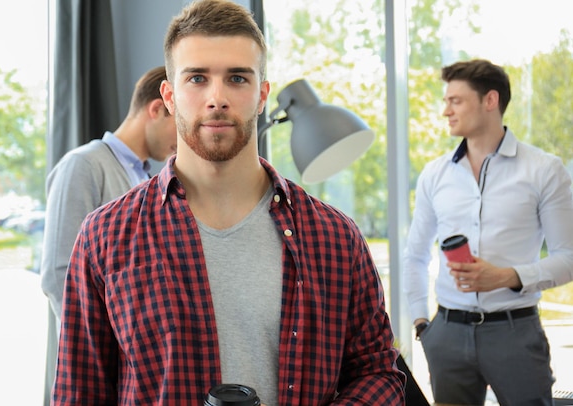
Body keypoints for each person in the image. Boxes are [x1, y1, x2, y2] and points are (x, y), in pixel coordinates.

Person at [51, 0, 406, 405]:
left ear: (261, 94)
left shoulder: (334, 237)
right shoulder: (105, 237)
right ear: (168, 95)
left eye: (237, 78)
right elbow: (80, 394)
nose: (216, 98)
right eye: (197, 78)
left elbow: (377, 371)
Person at [403, 59, 573, 405]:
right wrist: (423, 324)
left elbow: (568, 258)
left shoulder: (544, 171)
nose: (445, 111)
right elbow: (416, 254)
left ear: (490, 101)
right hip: (446, 334)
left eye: (456, 101)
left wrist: (507, 276)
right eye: (446, 100)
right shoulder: (434, 175)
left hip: (516, 334)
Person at [41, 66, 176, 404]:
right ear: (157, 108)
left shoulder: (146, 182)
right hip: (96, 366)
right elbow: (60, 273)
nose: (185, 138)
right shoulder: (84, 166)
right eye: (181, 122)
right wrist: (104, 350)